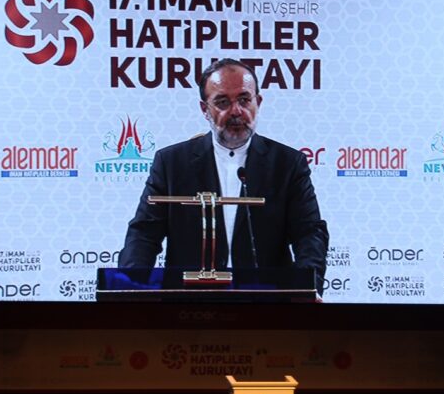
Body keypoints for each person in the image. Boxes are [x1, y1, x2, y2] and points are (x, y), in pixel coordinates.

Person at [118, 58, 329, 287]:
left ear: (258, 102)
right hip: (188, 299)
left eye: (244, 100)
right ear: (204, 109)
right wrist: (130, 285)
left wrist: (309, 288)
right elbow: (144, 233)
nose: (236, 111)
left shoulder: (287, 164)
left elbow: (309, 233)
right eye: (222, 102)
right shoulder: (172, 163)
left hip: (266, 298)